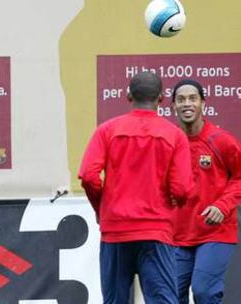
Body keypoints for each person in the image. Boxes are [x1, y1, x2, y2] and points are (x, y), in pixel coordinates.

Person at [79, 71, 193, 304]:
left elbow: (89, 176)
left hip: (116, 232)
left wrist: (102, 208)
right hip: (156, 231)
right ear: (161, 98)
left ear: (128, 95)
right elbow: (182, 189)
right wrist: (173, 205)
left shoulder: (107, 130)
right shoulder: (175, 135)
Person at [172, 79, 241, 304]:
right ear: (173, 106)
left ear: (203, 102)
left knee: (203, 291)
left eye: (192, 98)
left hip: (215, 233)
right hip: (177, 235)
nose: (187, 104)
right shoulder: (170, 142)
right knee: (170, 295)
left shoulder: (221, 141)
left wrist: (223, 205)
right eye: (181, 100)